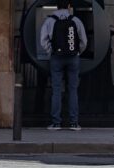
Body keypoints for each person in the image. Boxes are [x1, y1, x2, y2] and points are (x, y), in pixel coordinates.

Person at [40, 0, 87, 131]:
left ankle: (56, 123)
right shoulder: (76, 20)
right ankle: (73, 123)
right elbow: (84, 41)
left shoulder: (50, 21)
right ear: (69, 6)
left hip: (56, 58)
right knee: (73, 89)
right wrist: (77, 52)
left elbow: (43, 40)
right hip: (73, 58)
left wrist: (51, 51)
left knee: (56, 90)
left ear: (56, 6)